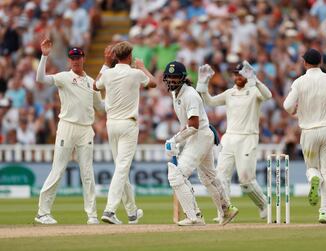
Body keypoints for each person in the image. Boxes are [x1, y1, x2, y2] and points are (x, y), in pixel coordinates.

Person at [34, 39, 104, 225]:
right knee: (58, 169)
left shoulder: (92, 83)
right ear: (69, 60)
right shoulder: (64, 77)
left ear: (83, 58)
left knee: (87, 172)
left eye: (78, 57)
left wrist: (120, 99)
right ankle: (42, 213)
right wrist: (44, 56)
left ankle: (92, 215)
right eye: (72, 58)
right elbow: (41, 79)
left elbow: (102, 107)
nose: (75, 61)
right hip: (67, 126)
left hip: (86, 129)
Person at [164, 61, 238, 226]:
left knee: (176, 175)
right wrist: (178, 140)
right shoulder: (176, 93)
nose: (172, 81)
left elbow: (194, 126)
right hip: (200, 136)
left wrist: (174, 139)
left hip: (200, 136)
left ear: (183, 79)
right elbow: (189, 124)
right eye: (169, 77)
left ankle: (194, 217)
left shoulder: (189, 95)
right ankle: (227, 209)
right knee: (208, 177)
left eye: (175, 77)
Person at [196, 61, 272, 222]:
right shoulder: (229, 93)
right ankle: (224, 212)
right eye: (235, 74)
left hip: (248, 137)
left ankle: (264, 204)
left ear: (247, 75)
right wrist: (203, 85)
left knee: (246, 180)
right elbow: (209, 101)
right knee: (221, 176)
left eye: (240, 74)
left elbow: (268, 96)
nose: (237, 77)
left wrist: (256, 80)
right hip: (230, 137)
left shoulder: (254, 91)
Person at [94, 41, 158, 224]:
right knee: (122, 168)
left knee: (121, 169)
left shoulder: (108, 73)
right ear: (129, 56)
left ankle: (131, 212)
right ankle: (109, 210)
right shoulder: (136, 73)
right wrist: (143, 67)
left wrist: (106, 63)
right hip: (128, 125)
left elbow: (95, 86)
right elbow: (153, 83)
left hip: (111, 125)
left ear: (115, 56)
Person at [283, 48, 326, 224]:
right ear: (321, 62)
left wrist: (293, 110)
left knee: (312, 168)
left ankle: (314, 178)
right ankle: (324, 212)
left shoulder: (299, 82)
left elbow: (287, 105)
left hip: (308, 132)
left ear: (305, 63)